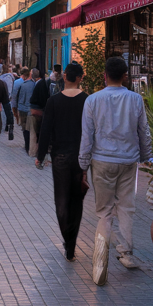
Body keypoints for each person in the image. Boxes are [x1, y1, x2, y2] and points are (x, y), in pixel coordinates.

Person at [78, 56, 152, 285]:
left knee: (104, 211)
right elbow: (144, 132)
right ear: (125, 77)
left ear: (104, 76)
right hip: (128, 161)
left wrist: (83, 164)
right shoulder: (136, 99)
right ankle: (126, 253)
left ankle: (100, 262)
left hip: (101, 161)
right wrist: (146, 157)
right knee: (126, 207)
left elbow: (86, 136)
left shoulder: (92, 100)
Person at [36, 63, 89, 261]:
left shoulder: (53, 101)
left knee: (62, 200)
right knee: (77, 200)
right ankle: (72, 243)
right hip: (81, 158)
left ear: (64, 77)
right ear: (80, 78)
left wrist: (40, 156)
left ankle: (67, 239)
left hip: (59, 158)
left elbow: (46, 130)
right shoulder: (87, 101)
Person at [12, 67, 34, 154]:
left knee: (24, 128)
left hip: (22, 109)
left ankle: (27, 145)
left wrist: (15, 108)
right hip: (30, 109)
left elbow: (15, 97)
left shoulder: (19, 84)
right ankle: (29, 146)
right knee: (30, 128)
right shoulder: (34, 84)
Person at [28, 68, 49, 163]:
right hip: (37, 110)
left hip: (34, 109)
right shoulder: (42, 84)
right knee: (36, 132)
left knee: (33, 132)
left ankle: (32, 151)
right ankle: (34, 152)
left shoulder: (39, 84)